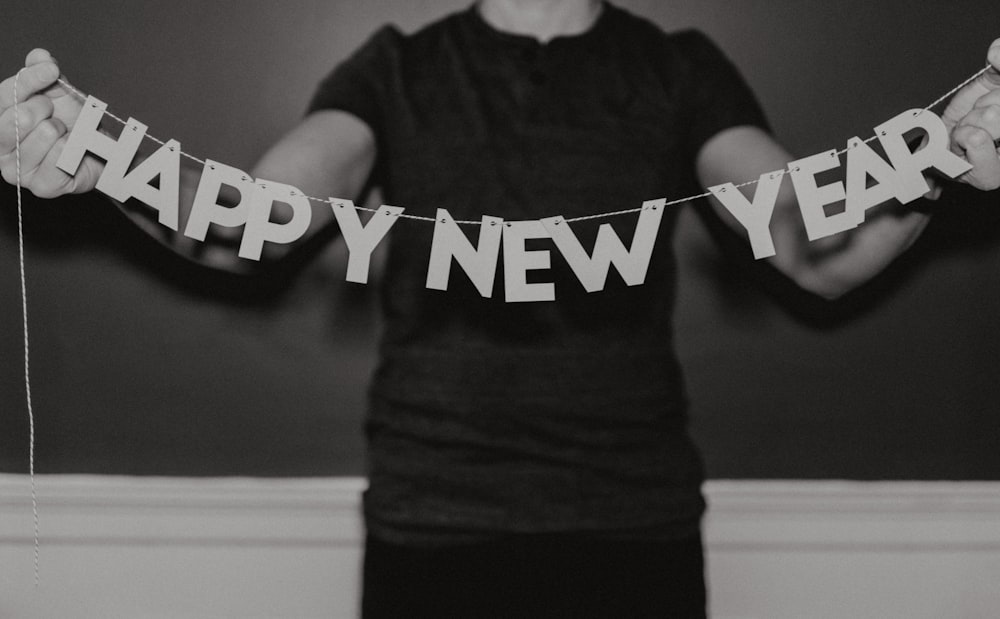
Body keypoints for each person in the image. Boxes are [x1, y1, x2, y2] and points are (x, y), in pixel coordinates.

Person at [1, 1, 999, 617]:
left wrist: (940, 159)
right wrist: (98, 162)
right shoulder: (393, 66)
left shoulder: (677, 67)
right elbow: (253, 221)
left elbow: (812, 248)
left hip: (632, 524)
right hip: (430, 524)